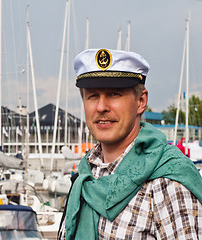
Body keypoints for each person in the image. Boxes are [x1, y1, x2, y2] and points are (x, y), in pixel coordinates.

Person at [58, 48, 202, 240]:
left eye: (114, 94)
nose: (101, 107)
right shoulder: (85, 176)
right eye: (92, 96)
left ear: (141, 101)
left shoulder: (167, 184)